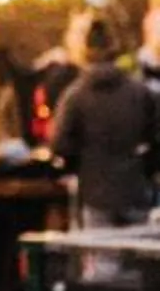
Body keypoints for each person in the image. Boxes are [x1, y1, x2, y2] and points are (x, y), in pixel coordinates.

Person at [52, 18, 157, 229]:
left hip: (94, 189)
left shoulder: (75, 95)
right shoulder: (139, 92)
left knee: (102, 257)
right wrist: (147, 167)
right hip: (134, 187)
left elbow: (61, 143)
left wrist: (79, 165)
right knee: (138, 254)